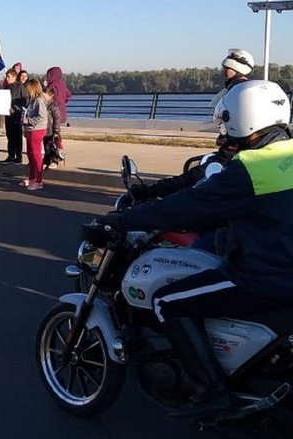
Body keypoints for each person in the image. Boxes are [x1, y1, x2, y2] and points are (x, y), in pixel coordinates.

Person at [95, 80, 293, 419]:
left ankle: (214, 391)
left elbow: (186, 206)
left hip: (265, 275)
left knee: (166, 301)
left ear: (242, 119)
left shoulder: (250, 170)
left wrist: (124, 220)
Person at [22, 79, 48, 191]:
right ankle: (32, 178)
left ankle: (39, 180)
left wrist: (29, 121)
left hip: (37, 129)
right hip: (30, 129)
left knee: (36, 155)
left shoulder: (39, 101)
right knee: (30, 154)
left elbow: (42, 117)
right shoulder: (32, 100)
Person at [3, 68, 27, 164]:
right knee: (10, 136)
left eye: (8, 77)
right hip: (8, 115)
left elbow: (25, 101)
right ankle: (11, 155)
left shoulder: (20, 87)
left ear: (14, 77)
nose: (7, 79)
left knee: (17, 136)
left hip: (16, 115)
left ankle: (19, 157)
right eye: (6, 77)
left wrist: (16, 108)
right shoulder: (6, 87)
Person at [42, 86, 64, 169]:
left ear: (51, 95)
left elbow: (57, 118)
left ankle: (54, 161)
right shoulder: (42, 105)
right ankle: (46, 161)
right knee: (46, 147)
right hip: (44, 129)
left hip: (51, 129)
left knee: (53, 146)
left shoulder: (53, 106)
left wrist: (56, 130)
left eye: (44, 95)